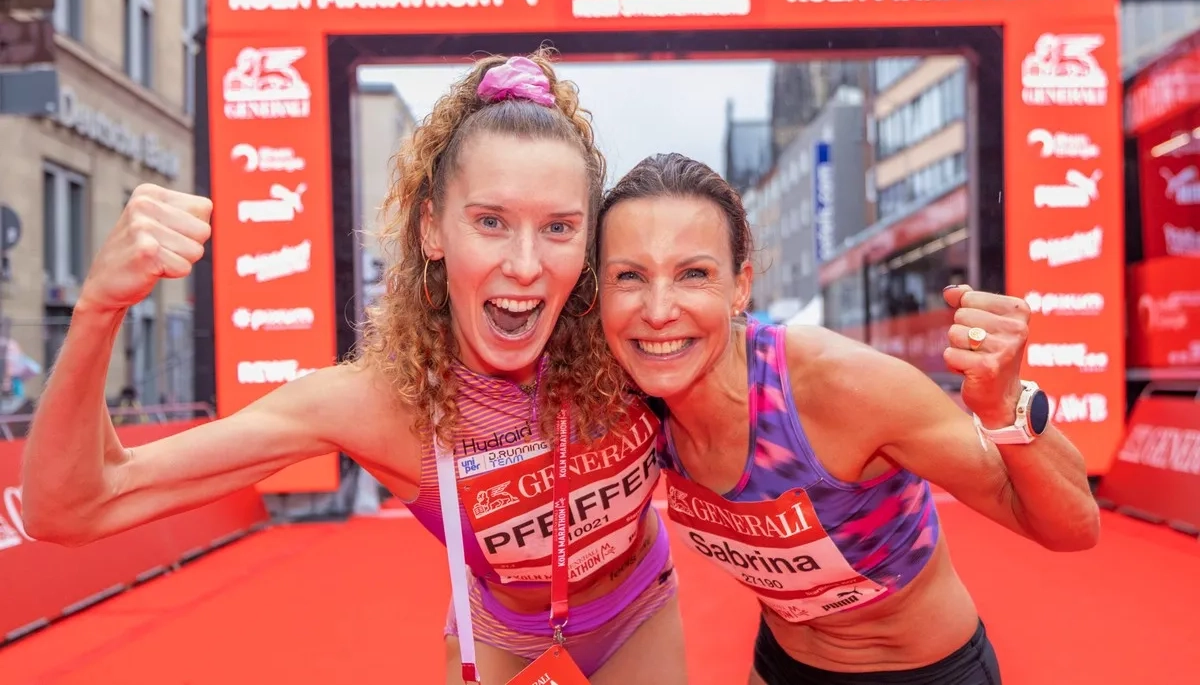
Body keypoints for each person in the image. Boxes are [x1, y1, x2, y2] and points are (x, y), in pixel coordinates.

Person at [20, 52, 686, 685]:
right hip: (504, 643)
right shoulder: (380, 403)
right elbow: (72, 507)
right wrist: (98, 309)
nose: (524, 263)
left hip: (640, 609)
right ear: (432, 229)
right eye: (490, 221)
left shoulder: (629, 342)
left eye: (559, 228)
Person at [596, 153, 1100, 685]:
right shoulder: (622, 395)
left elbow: (1073, 527)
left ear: (740, 287)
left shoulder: (837, 388)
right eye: (629, 276)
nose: (658, 310)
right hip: (781, 665)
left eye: (693, 274)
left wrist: (1007, 404)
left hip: (922, 674)